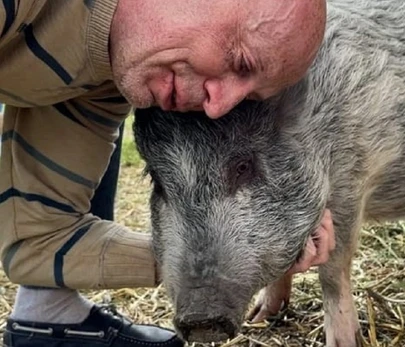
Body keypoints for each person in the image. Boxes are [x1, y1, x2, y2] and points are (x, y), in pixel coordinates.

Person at [0, 0, 327, 346]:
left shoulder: (100, 81)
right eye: (242, 63)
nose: (216, 106)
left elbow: (37, 240)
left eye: (249, 95)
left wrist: (251, 259)